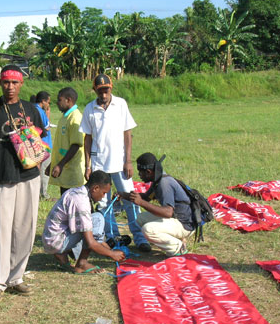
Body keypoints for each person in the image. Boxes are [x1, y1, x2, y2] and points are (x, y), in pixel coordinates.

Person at [0, 65, 45, 304]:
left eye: (15, 83)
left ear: (21, 85)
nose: (10, 87)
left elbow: (40, 137)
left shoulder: (30, 109)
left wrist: (37, 164)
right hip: (1, 177)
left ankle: (16, 277)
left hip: (29, 178)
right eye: (6, 82)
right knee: (1, 230)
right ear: (0, 83)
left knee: (25, 229)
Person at [79, 74, 150, 252]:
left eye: (107, 90)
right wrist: (88, 166)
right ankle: (113, 237)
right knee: (103, 203)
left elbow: (127, 134)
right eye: (100, 90)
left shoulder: (121, 104)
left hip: (120, 162)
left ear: (111, 88)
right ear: (94, 90)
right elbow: (87, 138)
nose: (104, 94)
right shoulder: (90, 108)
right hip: (99, 163)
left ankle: (140, 238)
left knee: (130, 199)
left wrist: (128, 161)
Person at [42, 170, 126, 274]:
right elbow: (90, 242)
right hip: (55, 242)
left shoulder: (77, 191)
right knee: (97, 219)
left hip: (51, 238)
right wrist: (112, 254)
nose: (103, 197)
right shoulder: (81, 202)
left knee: (92, 221)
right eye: (104, 193)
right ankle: (82, 264)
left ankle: (62, 253)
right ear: (95, 188)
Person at [117, 152, 194, 256]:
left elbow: (167, 212)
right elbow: (145, 198)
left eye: (140, 172)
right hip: (178, 218)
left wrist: (141, 203)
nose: (139, 175)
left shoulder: (164, 184)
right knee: (140, 218)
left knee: (148, 230)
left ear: (148, 172)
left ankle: (178, 248)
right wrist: (122, 195)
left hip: (185, 224)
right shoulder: (158, 178)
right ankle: (175, 238)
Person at [47, 87, 86, 195]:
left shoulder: (75, 118)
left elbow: (76, 145)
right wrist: (53, 164)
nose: (57, 103)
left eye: (59, 100)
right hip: (65, 171)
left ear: (68, 100)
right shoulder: (65, 117)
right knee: (66, 202)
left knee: (76, 204)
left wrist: (60, 165)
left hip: (72, 171)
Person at [31, 91, 53, 199]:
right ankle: (43, 194)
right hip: (44, 144)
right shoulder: (40, 111)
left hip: (36, 144)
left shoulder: (32, 109)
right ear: (43, 101)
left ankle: (37, 192)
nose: (48, 105)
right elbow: (45, 126)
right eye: (48, 102)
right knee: (44, 170)